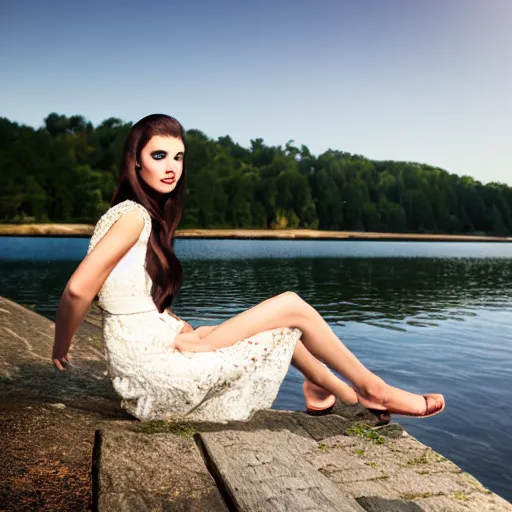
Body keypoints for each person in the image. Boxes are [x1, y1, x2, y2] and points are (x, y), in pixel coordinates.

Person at [51, 114, 445, 422]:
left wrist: (173, 323)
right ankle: (372, 388)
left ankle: (337, 395)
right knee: (290, 305)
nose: (172, 167)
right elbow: (78, 289)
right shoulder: (133, 216)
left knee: (276, 323)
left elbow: (127, 295)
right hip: (153, 369)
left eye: (179, 157)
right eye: (159, 156)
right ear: (135, 162)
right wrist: (60, 346)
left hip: (150, 353)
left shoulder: (128, 214)